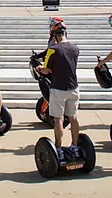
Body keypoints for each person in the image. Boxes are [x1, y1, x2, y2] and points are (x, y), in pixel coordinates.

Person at [36, 20, 80, 160]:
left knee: (58, 119)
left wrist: (39, 69)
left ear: (54, 35)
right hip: (73, 88)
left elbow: (47, 70)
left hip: (58, 89)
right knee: (73, 118)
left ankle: (59, 148)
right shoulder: (75, 48)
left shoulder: (53, 50)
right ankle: (75, 146)